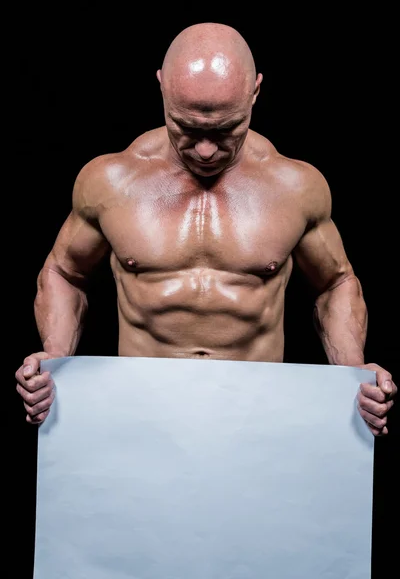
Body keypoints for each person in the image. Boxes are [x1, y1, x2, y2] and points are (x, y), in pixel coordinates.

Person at [15, 22, 396, 435]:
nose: (206, 151)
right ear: (161, 87)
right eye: (187, 128)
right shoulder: (111, 180)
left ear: (256, 92)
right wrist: (52, 359)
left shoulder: (295, 187)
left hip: (257, 413)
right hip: (140, 410)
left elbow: (335, 283)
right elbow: (64, 273)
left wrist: (353, 374)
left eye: (226, 130)